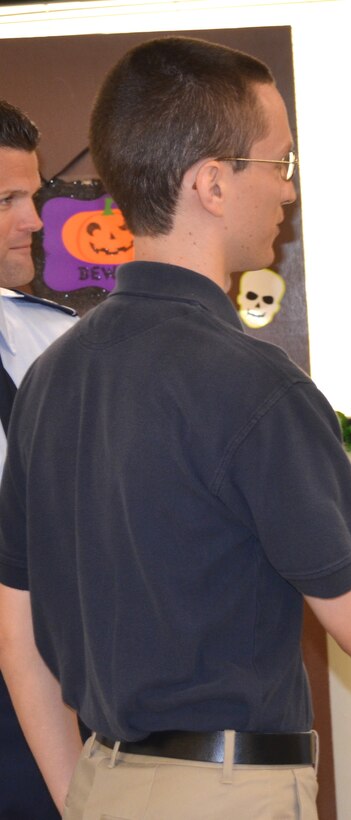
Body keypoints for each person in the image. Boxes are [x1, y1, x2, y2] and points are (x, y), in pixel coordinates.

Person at [0, 37, 351, 819]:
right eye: (279, 163)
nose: (289, 193)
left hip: (101, 781)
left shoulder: (50, 376)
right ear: (212, 183)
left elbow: (19, 640)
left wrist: (82, 799)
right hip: (222, 791)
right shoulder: (258, 388)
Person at [0, 98, 77, 819]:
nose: (33, 219)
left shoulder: (50, 344)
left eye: (34, 194)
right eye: (6, 199)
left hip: (52, 676)